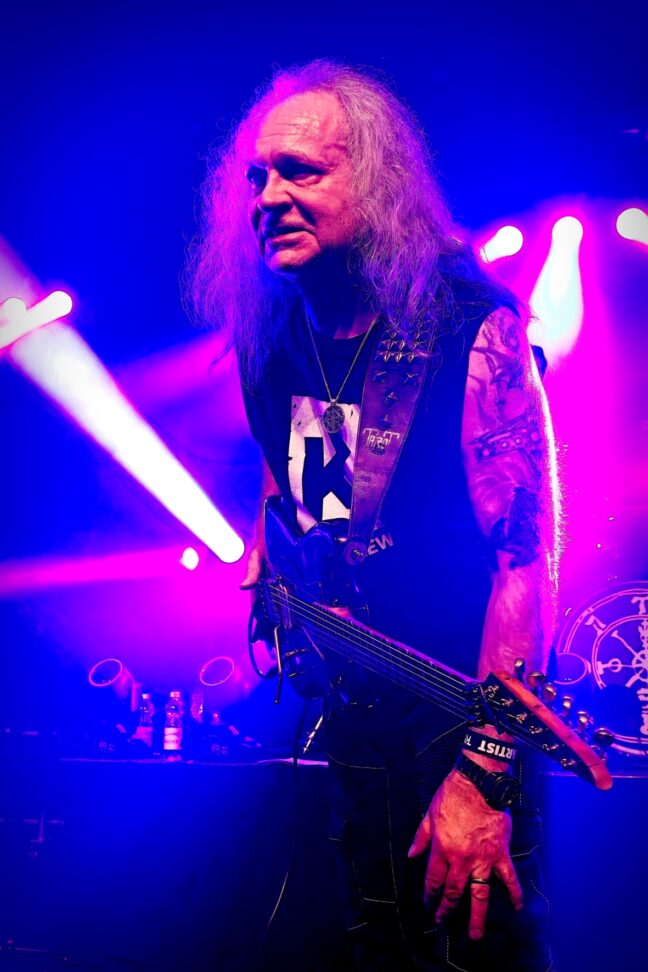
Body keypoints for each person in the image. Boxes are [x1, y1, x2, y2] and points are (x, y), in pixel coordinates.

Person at [186, 60, 560, 972]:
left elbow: (522, 559)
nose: (270, 197)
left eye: (302, 172)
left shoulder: (471, 329)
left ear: (379, 183)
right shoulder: (275, 340)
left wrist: (483, 773)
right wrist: (275, 563)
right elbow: (304, 494)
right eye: (259, 177)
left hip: (464, 717)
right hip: (358, 720)